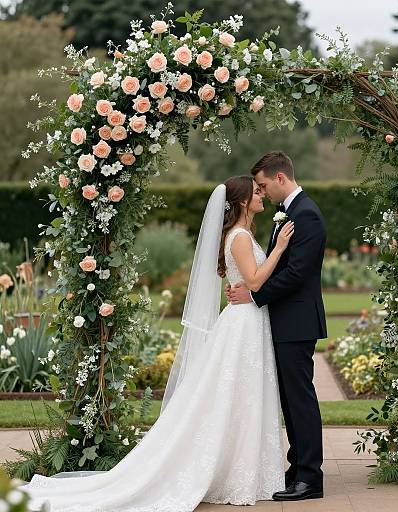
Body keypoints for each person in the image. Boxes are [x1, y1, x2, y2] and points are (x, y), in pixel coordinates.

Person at [20, 176, 294, 512]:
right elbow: (252, 280)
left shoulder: (242, 234)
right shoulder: (239, 237)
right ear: (240, 202)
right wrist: (279, 248)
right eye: (256, 192)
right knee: (238, 395)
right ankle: (235, 474)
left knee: (243, 396)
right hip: (242, 324)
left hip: (247, 320)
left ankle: (247, 471)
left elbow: (247, 282)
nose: (262, 195)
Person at [227, 151, 327, 502]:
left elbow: (297, 274)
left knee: (300, 399)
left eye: (265, 185)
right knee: (289, 398)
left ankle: (310, 477)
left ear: (281, 178)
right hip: (284, 322)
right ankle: (297, 466)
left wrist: (254, 297)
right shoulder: (289, 214)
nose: (263, 191)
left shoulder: (307, 216)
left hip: (297, 322)